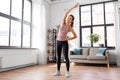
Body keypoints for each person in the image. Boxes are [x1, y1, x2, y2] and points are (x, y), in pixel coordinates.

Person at [53, 3, 79, 78]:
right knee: (58, 57)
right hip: (58, 41)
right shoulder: (63, 22)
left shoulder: (70, 28)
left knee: (66, 57)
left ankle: (67, 72)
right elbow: (66, 13)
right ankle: (58, 71)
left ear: (71, 21)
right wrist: (73, 7)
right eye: (68, 17)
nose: (69, 19)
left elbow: (75, 36)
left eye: (70, 19)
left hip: (64, 43)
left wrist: (67, 38)